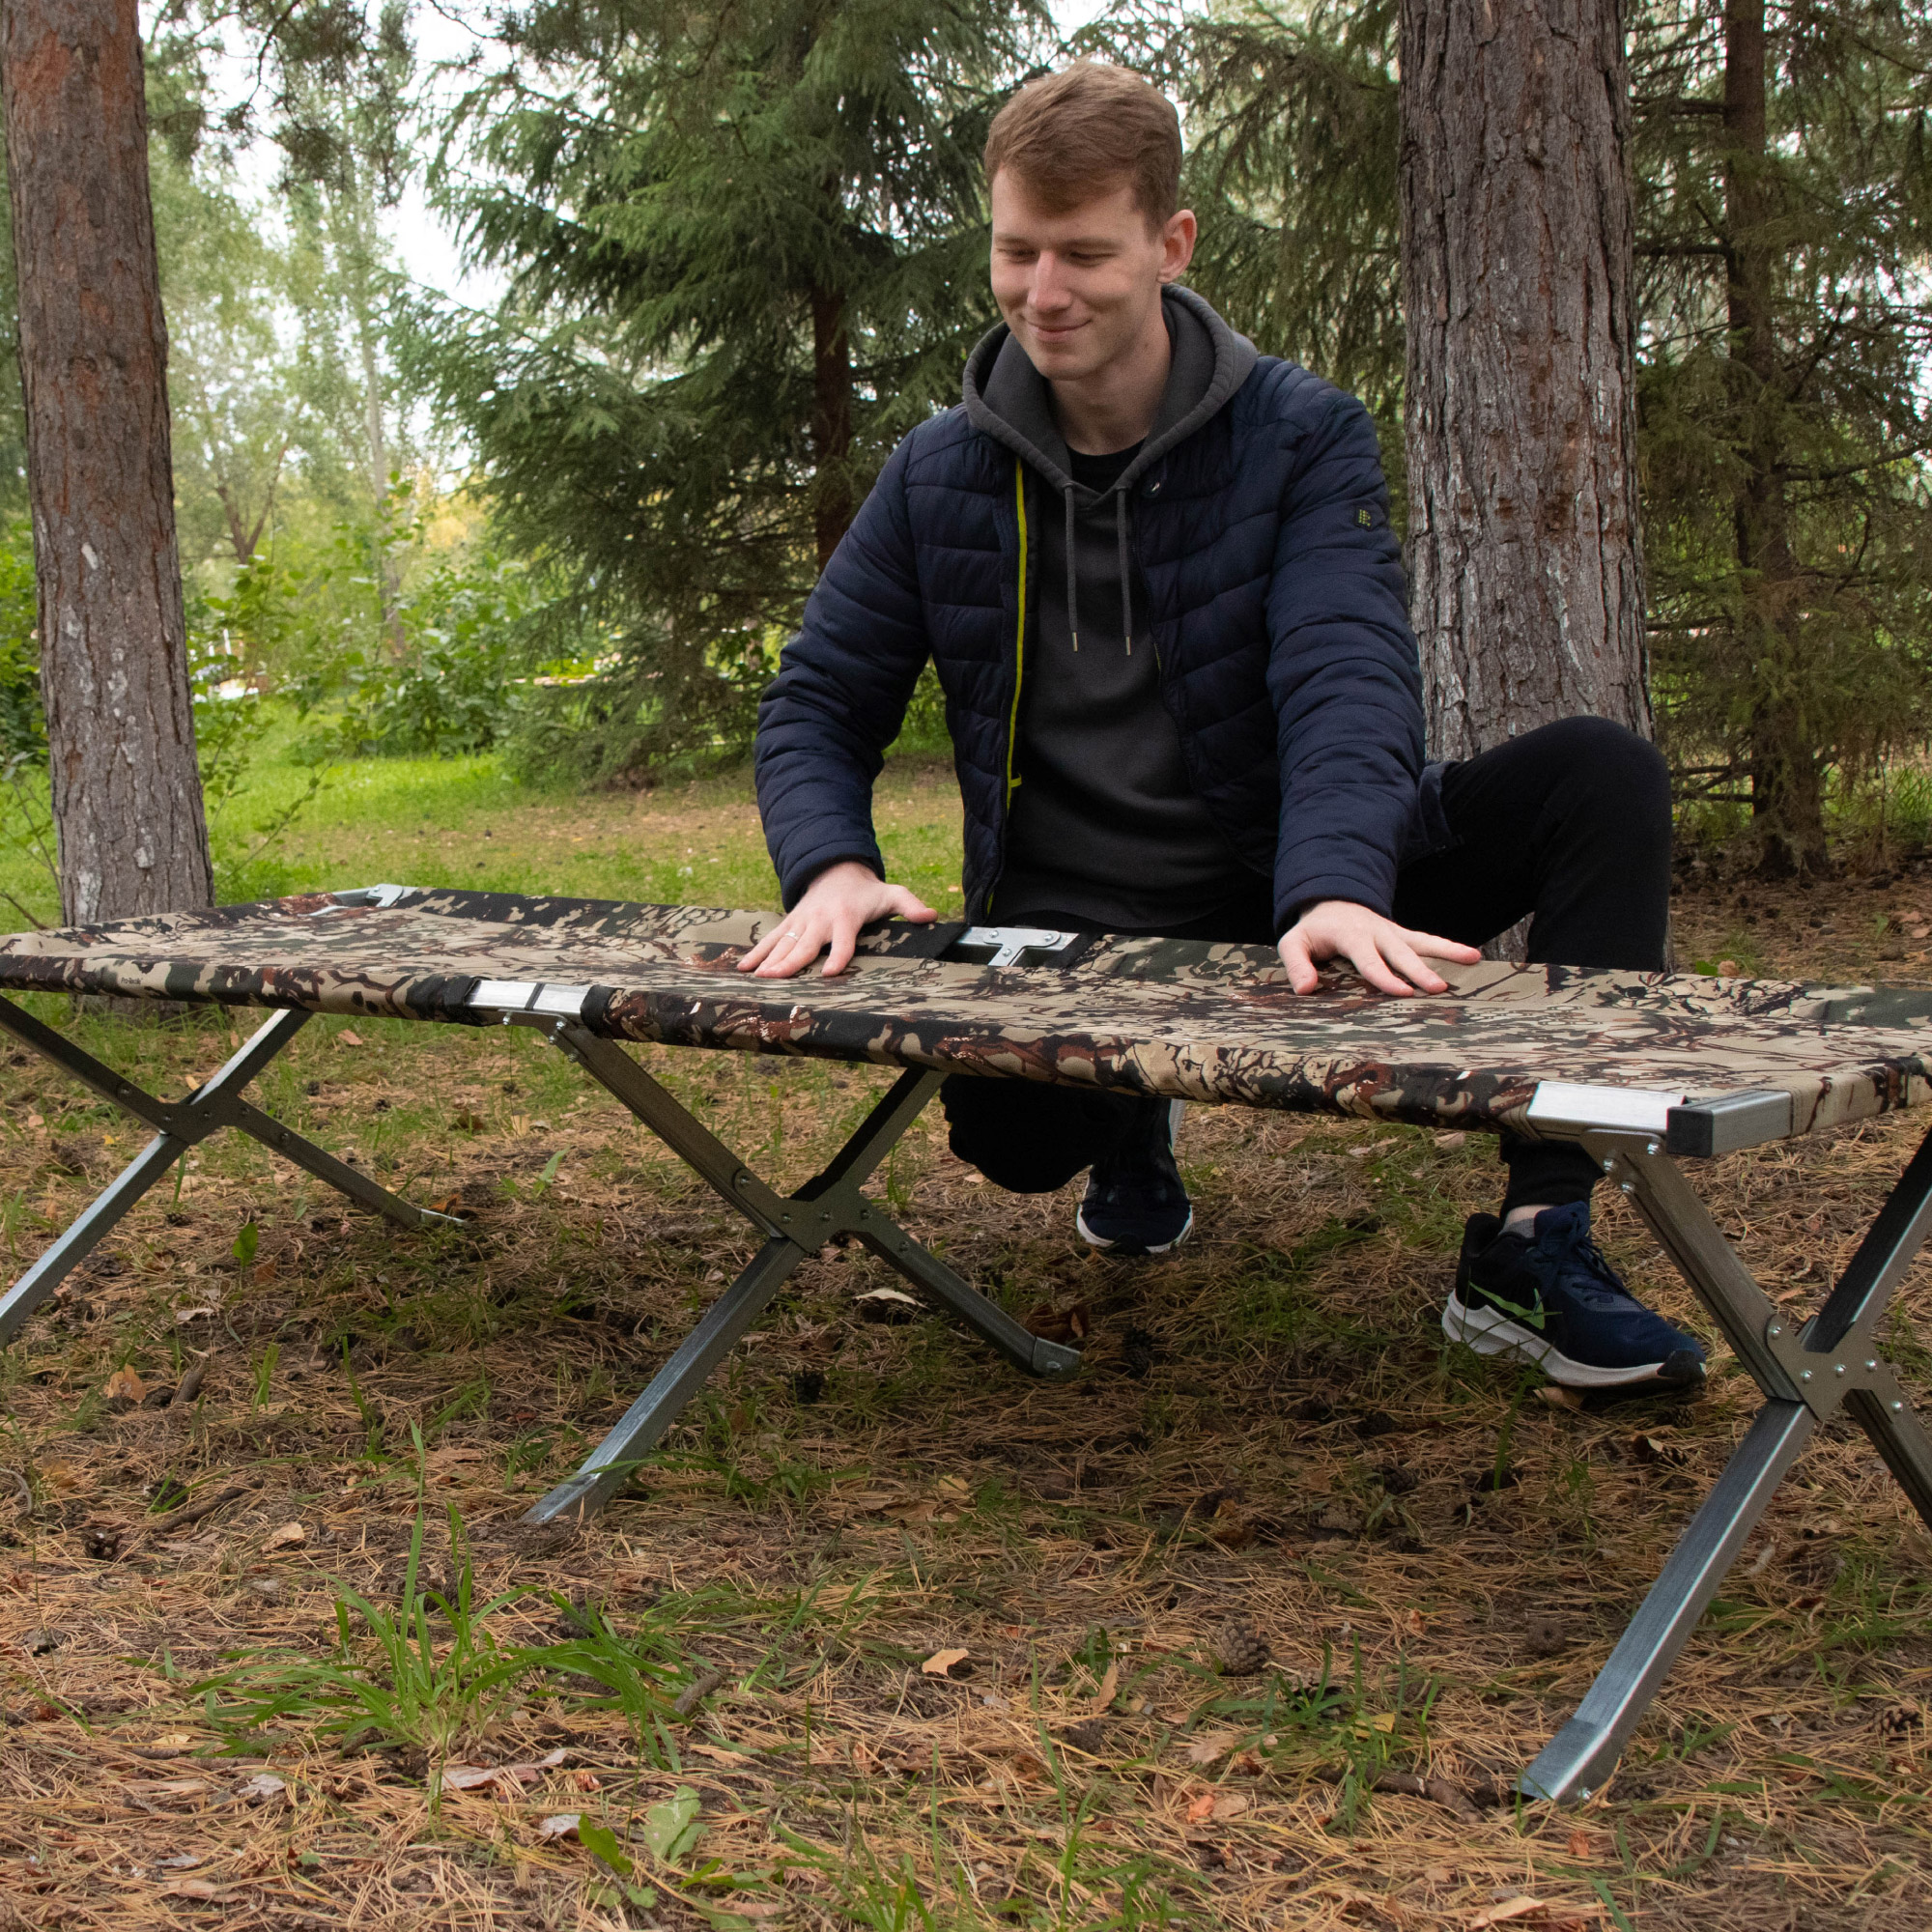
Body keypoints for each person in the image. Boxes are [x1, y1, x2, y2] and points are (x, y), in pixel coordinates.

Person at [742, 61, 1703, 1393]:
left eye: (1084, 253)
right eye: (1016, 252)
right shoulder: (936, 470)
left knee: (1597, 775)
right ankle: (1130, 1116)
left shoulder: (1303, 435)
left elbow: (1345, 672)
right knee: (1012, 1146)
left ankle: (1540, 1238)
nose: (1044, 292)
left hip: (1294, 879)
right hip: (1076, 927)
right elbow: (815, 699)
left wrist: (1331, 883)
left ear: (1171, 243)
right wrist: (832, 865)